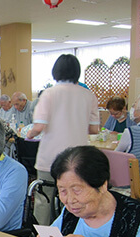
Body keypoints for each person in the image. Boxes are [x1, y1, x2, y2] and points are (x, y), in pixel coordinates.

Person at [27, 54, 100, 225]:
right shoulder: (88, 95)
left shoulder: (49, 94)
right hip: (78, 159)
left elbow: (38, 127)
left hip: (50, 157)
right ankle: (72, 232)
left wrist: (28, 135)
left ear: (56, 72)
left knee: (43, 200)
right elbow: (94, 129)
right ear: (77, 72)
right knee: (75, 200)